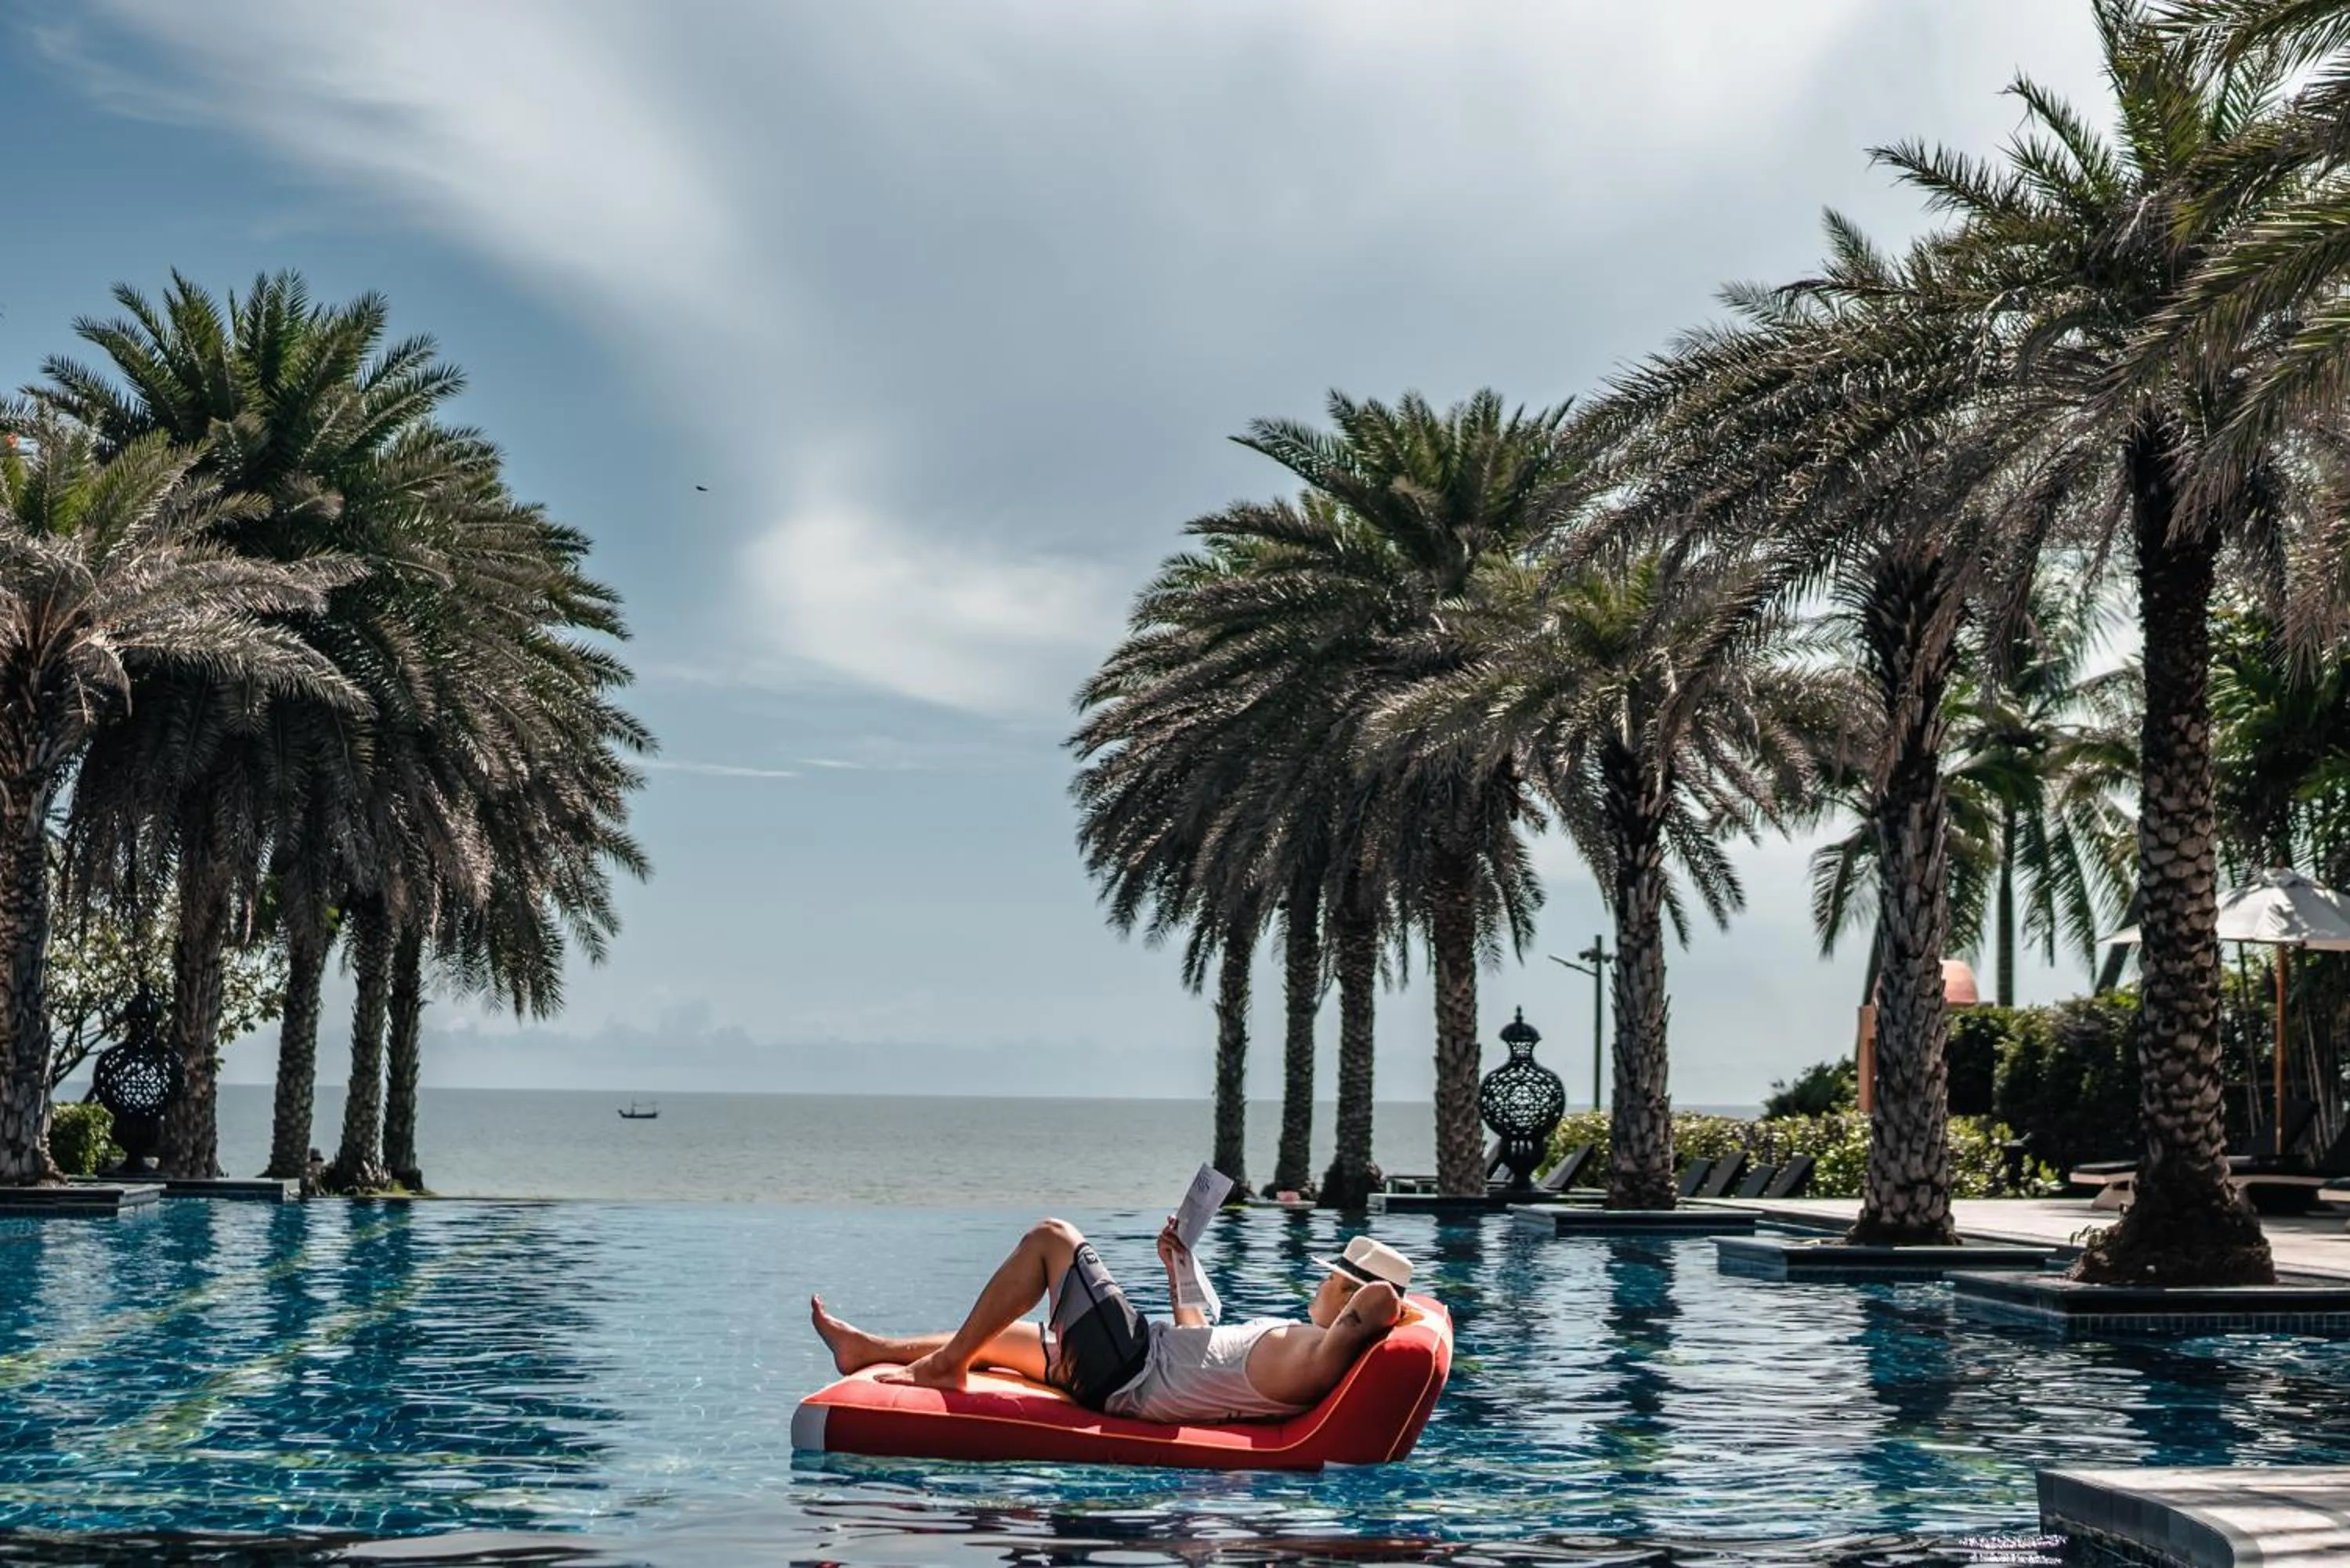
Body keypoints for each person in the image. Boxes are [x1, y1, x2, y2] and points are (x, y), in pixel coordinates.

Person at [810, 1219, 1414, 1425]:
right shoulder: (1300, 1343)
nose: (1320, 1282)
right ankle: (868, 1350)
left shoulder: (1317, 1356)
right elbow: (1200, 1346)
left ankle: (945, 1368)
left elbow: (1383, 1302)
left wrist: (1387, 1297)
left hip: (1131, 1375)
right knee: (1016, 1338)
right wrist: (1180, 1263)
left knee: (1052, 1238)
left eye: (1331, 1277)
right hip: (1146, 1360)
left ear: (1349, 1294)